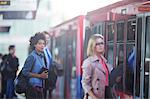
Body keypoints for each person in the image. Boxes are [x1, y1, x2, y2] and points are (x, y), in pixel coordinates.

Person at [81, 34, 113, 99]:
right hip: (95, 96)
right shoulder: (89, 62)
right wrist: (94, 98)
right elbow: (85, 84)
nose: (100, 46)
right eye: (97, 44)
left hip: (107, 93)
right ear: (92, 46)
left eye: (102, 43)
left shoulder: (105, 61)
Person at [22, 32, 48, 99]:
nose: (42, 45)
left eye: (43, 43)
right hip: (32, 88)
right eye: (39, 43)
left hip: (40, 87)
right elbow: (25, 72)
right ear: (34, 44)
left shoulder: (42, 57)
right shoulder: (32, 57)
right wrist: (40, 76)